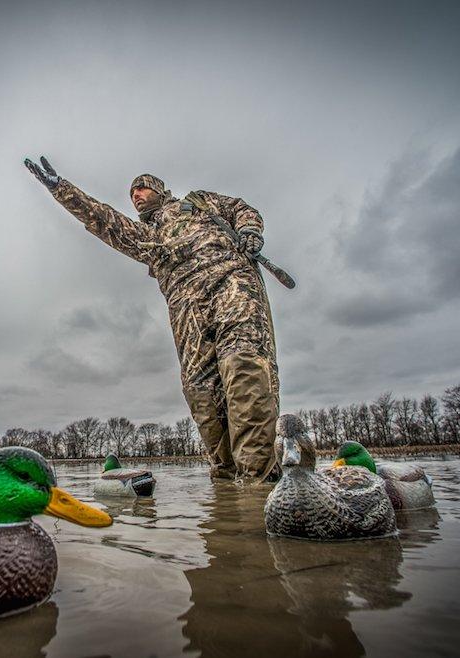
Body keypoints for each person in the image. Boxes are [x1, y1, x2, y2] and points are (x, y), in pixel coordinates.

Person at [25, 156, 279, 481]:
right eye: (132, 193)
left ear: (158, 189)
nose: (136, 196)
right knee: (201, 390)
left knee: (242, 366)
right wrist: (60, 189)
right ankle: (228, 486)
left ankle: (257, 485)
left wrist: (249, 232)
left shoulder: (198, 203)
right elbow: (105, 220)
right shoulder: (145, 236)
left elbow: (243, 209)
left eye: (142, 188)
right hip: (184, 304)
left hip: (232, 280)